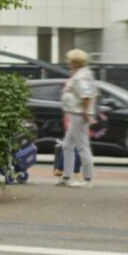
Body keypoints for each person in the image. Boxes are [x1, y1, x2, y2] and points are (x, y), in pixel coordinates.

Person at [57, 48, 97, 188]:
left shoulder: (80, 77)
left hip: (78, 114)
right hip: (76, 113)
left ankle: (87, 179)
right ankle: (67, 177)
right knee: (67, 145)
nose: (68, 62)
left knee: (82, 146)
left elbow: (85, 96)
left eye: (69, 60)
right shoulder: (82, 74)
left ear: (74, 62)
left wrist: (85, 113)